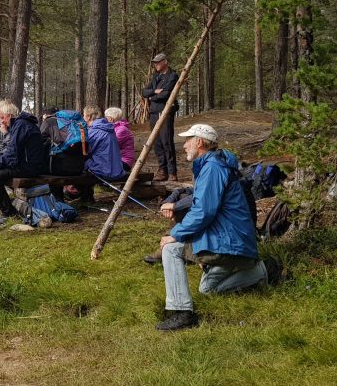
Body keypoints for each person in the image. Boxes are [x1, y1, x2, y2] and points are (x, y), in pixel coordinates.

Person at [152, 124, 267, 332]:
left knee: (170, 249)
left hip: (229, 240)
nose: (185, 145)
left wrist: (175, 234)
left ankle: (182, 312)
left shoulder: (213, 167)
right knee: (207, 291)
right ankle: (258, 271)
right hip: (231, 238)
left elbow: (204, 211)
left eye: (188, 140)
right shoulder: (213, 165)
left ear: (199, 142)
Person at [0, 100, 47, 226]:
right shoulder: (21, 124)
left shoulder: (21, 125)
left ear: (9, 115)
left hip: (30, 167)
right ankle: (13, 208)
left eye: (2, 117)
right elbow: (13, 152)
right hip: (28, 165)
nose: (1, 121)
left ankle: (9, 213)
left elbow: (12, 153)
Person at [142, 53, 179, 179]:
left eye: (158, 62)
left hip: (165, 111)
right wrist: (154, 92)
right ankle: (162, 170)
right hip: (153, 112)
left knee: (166, 141)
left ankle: (172, 172)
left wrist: (153, 96)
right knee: (157, 142)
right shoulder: (155, 76)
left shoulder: (172, 75)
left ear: (165, 62)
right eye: (155, 62)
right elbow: (144, 92)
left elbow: (166, 94)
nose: (155, 65)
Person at [76, 112, 124, 205]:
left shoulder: (94, 131)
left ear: (89, 116)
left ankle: (86, 197)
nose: (83, 117)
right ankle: (86, 197)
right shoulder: (109, 128)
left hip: (103, 169)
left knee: (79, 166)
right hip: (117, 168)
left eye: (84, 115)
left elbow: (86, 152)